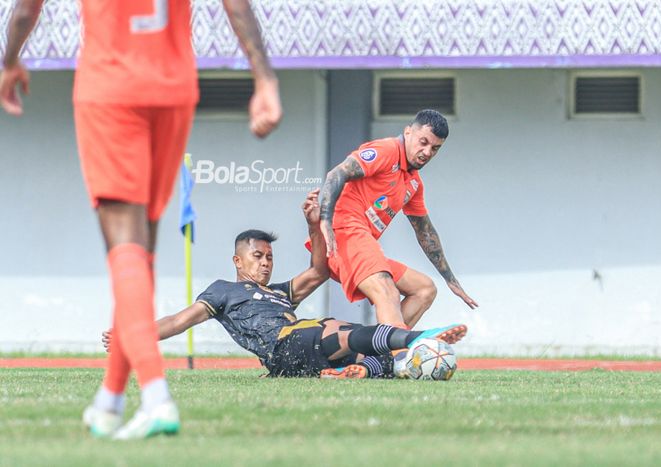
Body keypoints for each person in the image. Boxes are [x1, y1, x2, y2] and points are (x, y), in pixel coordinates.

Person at [1, 0, 282, 440]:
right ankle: (110, 401)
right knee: (140, 256)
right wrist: (264, 77)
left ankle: (155, 394)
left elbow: (25, 9)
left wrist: (11, 59)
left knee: (124, 248)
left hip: (111, 89)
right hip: (172, 90)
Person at [103, 191, 467, 380]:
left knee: (367, 351)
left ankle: (362, 371)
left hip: (301, 354)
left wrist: (313, 226)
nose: (265, 263)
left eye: (269, 257)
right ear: (238, 261)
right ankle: (419, 338)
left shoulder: (278, 293)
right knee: (335, 328)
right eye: (258, 257)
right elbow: (179, 320)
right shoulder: (223, 292)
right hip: (282, 348)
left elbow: (320, 270)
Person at [316, 109, 478, 329]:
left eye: (435, 148)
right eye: (423, 142)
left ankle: (372, 355)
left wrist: (450, 279)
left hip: (362, 245)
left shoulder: (414, 183)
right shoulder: (387, 150)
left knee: (424, 289)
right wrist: (325, 220)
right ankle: (400, 353)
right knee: (387, 290)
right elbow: (337, 174)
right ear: (408, 132)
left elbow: (425, 231)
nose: (427, 152)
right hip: (344, 233)